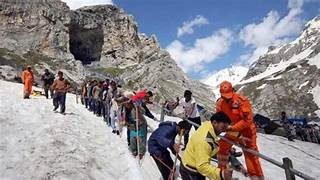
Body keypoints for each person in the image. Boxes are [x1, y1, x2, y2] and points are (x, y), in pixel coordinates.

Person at [216, 81, 264, 179]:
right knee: (222, 147)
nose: (227, 99)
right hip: (232, 130)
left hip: (247, 131)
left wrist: (232, 128)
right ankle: (222, 173)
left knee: (251, 155)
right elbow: (219, 117)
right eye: (224, 96)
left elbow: (248, 120)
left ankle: (257, 177)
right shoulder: (220, 103)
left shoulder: (242, 101)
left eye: (228, 96)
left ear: (232, 91)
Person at [180, 112, 233, 180]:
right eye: (223, 127)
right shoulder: (205, 141)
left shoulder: (207, 125)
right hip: (191, 171)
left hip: (189, 161)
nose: (223, 131)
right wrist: (221, 174)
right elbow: (202, 166)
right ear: (214, 122)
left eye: (225, 128)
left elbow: (208, 148)